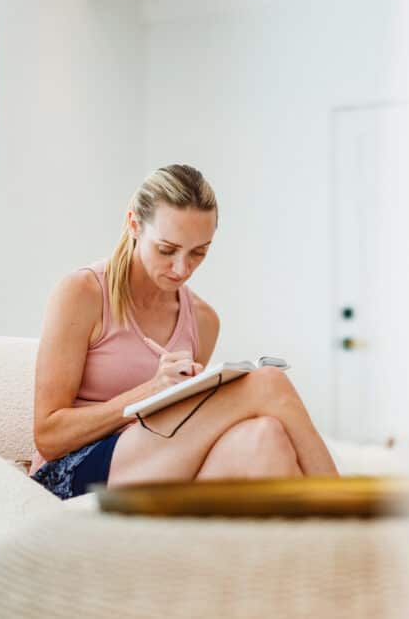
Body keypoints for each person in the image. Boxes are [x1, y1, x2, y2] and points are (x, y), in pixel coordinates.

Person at [29, 164, 338, 499]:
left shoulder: (203, 320)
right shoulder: (83, 292)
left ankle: (280, 548)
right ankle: (352, 519)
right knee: (267, 382)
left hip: (158, 464)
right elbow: (49, 434)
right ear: (134, 224)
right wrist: (150, 391)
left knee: (266, 437)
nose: (182, 268)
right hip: (73, 471)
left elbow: (181, 429)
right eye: (167, 249)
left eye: (198, 253)